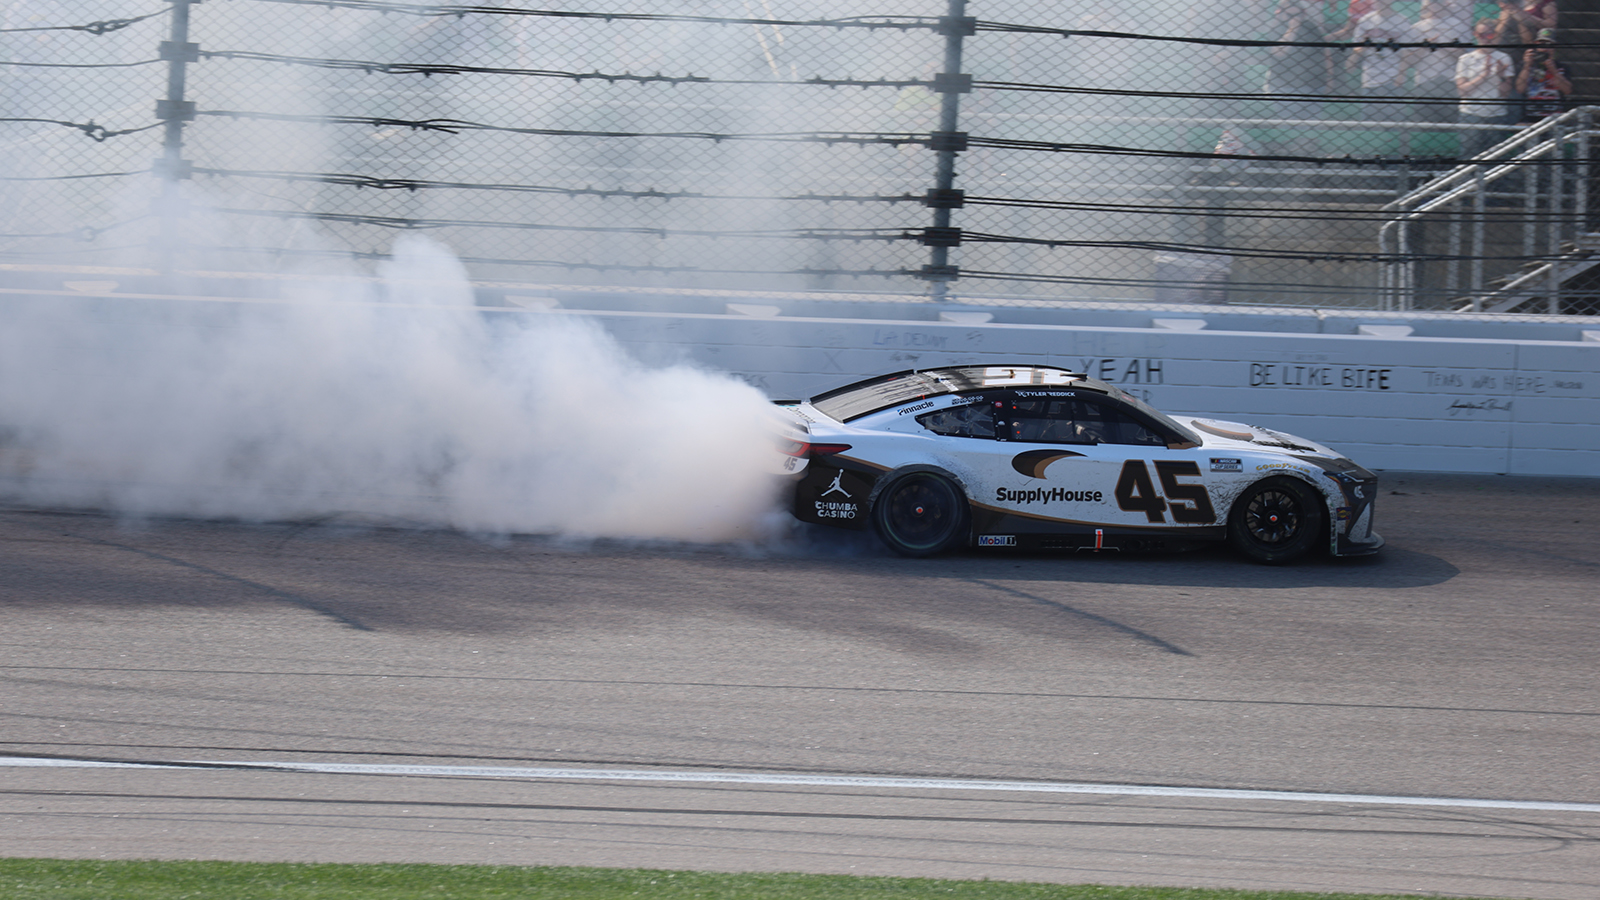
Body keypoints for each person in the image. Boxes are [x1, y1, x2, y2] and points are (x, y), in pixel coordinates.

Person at [1349, 0, 1422, 121]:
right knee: (1369, 124)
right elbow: (1356, 48)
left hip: (1392, 78)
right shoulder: (1366, 20)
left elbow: (1407, 52)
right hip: (1370, 79)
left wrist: (1401, 75)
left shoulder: (1402, 21)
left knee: (1394, 122)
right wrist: (1362, 48)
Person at [1454, 19, 1512, 157]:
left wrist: (1500, 76)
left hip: (1496, 114)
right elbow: (1462, 90)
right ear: (1475, 34)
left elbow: (1505, 93)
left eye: (1489, 35)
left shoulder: (1504, 58)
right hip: (1471, 113)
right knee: (1469, 156)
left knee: (1496, 157)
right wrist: (1484, 76)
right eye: (1481, 35)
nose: (1485, 38)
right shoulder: (1465, 59)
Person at [1414, 0, 1472, 123]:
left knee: (1450, 125)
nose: (1435, 4)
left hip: (1450, 82)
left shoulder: (1459, 26)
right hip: (1424, 82)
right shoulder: (1418, 27)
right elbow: (1410, 60)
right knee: (1423, 127)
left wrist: (1441, 46)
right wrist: (1425, 46)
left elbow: (1464, 57)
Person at [1515, 28, 1570, 124]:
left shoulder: (1561, 66)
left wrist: (1554, 71)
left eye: (1549, 44)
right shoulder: (1525, 65)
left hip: (1554, 118)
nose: (1545, 47)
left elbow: (1567, 90)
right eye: (1541, 43)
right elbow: (1520, 89)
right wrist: (1527, 65)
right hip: (1530, 116)